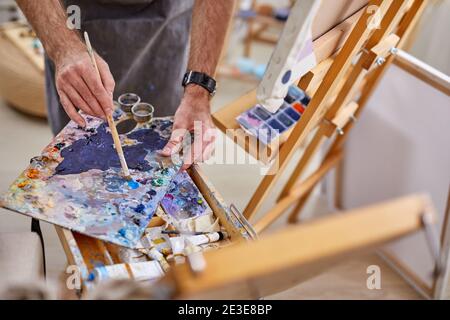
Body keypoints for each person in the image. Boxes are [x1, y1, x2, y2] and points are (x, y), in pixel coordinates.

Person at [16, 0, 235, 169]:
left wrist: (198, 90)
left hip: (167, 23)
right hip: (77, 15)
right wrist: (63, 46)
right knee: (83, 150)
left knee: (160, 149)